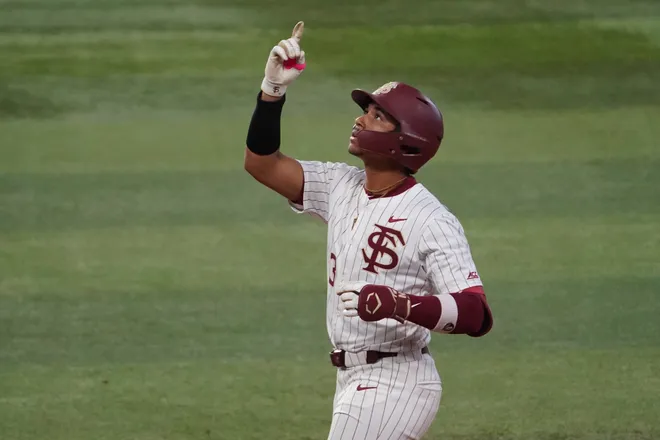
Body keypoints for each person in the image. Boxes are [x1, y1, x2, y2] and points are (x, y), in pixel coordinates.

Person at [244, 21, 494, 440]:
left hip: (397, 381)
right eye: (367, 111)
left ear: (407, 142)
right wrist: (272, 90)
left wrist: (399, 304)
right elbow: (262, 164)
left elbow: (476, 313)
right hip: (352, 379)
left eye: (377, 117)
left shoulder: (430, 219)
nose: (361, 120)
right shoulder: (341, 186)